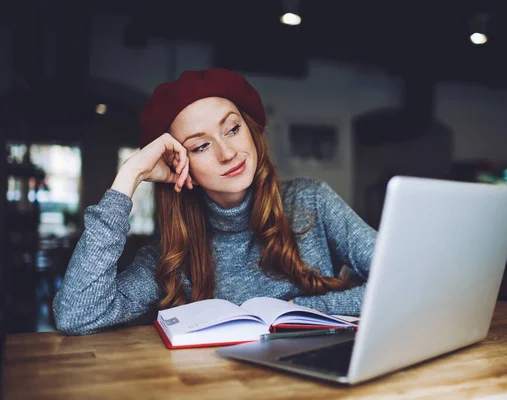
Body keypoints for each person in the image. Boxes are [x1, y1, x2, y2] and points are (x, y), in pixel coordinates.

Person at [53, 68, 377, 335]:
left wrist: (301, 313)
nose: (228, 153)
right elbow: (77, 315)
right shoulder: (171, 254)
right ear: (178, 163)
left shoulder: (311, 201)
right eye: (200, 147)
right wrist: (129, 176)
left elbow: (405, 278)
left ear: (250, 130)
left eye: (233, 129)